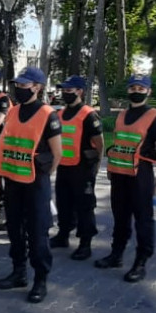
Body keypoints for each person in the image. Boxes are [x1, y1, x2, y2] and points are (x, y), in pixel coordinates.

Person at [0, 67, 62, 303]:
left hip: (35, 185)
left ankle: (40, 280)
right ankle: (18, 272)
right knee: (14, 230)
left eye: (24, 85)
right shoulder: (12, 113)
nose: (19, 89)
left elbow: (57, 153)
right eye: (18, 85)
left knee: (37, 234)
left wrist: (44, 176)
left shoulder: (47, 114)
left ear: (37, 87)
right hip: (12, 182)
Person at [95, 75, 156, 283]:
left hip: (141, 175)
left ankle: (141, 262)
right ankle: (116, 254)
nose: (136, 90)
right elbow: (118, 143)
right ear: (128, 90)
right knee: (120, 217)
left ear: (148, 91)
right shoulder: (122, 115)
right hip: (119, 174)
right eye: (133, 87)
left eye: (141, 88)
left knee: (143, 220)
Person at [51, 75, 105, 260]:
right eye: (64, 90)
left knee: (84, 206)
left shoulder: (88, 114)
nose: (65, 93)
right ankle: (63, 235)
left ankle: (85, 243)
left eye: (69, 90)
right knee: (63, 203)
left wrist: (96, 166)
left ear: (80, 91)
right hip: (64, 166)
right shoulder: (59, 114)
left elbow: (99, 143)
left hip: (83, 168)